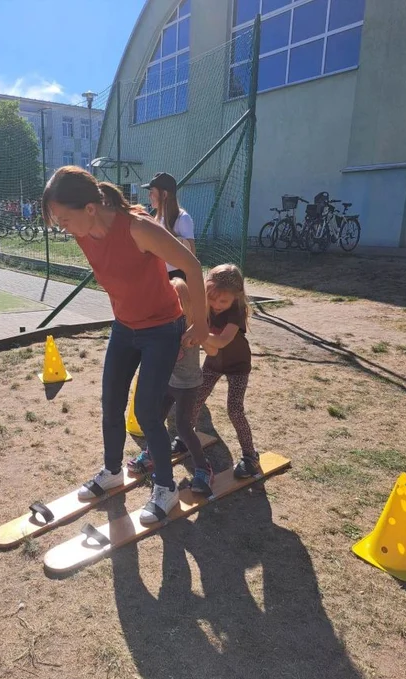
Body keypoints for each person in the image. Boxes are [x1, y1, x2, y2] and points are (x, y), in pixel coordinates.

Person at [42, 166, 208, 524]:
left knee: (148, 411)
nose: (62, 227)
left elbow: (192, 267)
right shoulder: (83, 231)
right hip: (125, 327)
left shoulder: (137, 227)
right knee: (111, 403)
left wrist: (203, 323)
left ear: (89, 208)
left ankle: (165, 489)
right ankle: (112, 470)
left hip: (163, 327)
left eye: (64, 219)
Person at [173, 264, 263, 481]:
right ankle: (186, 438)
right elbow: (212, 349)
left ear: (236, 296)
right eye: (212, 299)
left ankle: (251, 457)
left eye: (223, 301)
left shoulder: (236, 311)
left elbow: (221, 341)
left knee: (234, 410)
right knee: (195, 400)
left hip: (238, 366)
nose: (216, 305)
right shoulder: (205, 306)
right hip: (214, 362)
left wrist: (199, 333)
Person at [127, 277, 216, 493]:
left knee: (184, 427)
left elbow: (205, 349)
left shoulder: (192, 328)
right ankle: (151, 455)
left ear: (183, 304)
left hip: (187, 385)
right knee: (154, 421)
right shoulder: (163, 326)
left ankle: (204, 469)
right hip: (168, 382)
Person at [142, 172, 196, 280]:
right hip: (158, 276)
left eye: (152, 192)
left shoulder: (183, 218)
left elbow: (192, 254)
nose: (149, 196)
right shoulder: (156, 219)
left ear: (164, 195)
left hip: (177, 278)